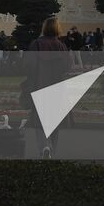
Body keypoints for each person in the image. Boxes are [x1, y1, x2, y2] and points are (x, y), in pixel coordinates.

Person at [24, 16, 71, 156]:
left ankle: (44, 147)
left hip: (39, 85)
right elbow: (67, 66)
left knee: (39, 120)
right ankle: (53, 149)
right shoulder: (60, 46)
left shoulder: (36, 44)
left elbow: (28, 65)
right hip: (57, 87)